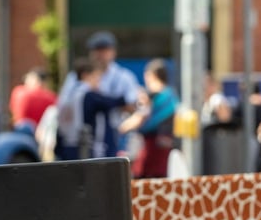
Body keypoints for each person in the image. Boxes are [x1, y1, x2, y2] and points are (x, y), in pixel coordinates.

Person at [56, 31, 140, 159]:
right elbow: (64, 105)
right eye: (96, 50)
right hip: (81, 135)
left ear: (113, 52)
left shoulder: (123, 77)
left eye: (104, 50)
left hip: (110, 133)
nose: (100, 55)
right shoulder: (75, 78)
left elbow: (132, 105)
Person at [54, 58, 125, 161]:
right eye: (97, 77)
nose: (99, 81)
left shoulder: (68, 95)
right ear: (86, 75)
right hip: (84, 146)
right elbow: (113, 102)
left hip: (67, 144)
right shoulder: (88, 95)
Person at [120, 58, 179, 179]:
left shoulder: (150, 96)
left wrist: (122, 128)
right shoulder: (172, 96)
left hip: (149, 150)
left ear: (151, 75)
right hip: (166, 148)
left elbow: (140, 118)